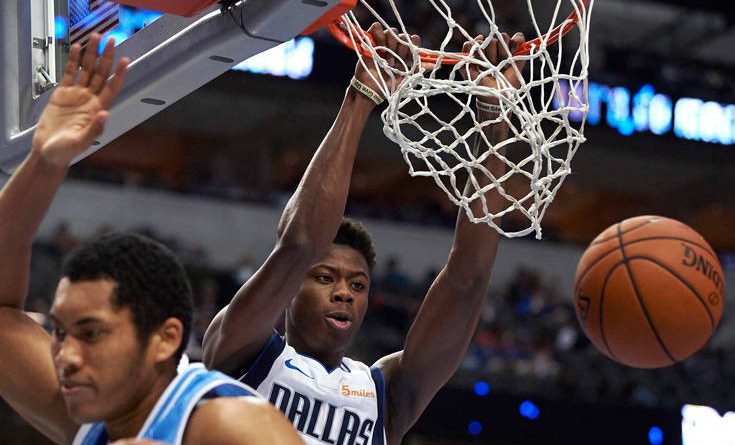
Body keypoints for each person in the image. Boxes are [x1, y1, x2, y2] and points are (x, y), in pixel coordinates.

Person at [203, 24, 527, 445]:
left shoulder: (383, 393)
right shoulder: (243, 351)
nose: (344, 294)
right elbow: (300, 244)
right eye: (325, 277)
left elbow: (467, 281)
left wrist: (493, 120)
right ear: (289, 290)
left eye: (358, 285)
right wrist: (361, 99)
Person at [0, 34, 303, 445]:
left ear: (166, 339)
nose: (66, 356)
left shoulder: (228, 423)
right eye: (60, 332)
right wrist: (44, 161)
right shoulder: (94, 414)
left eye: (91, 334)